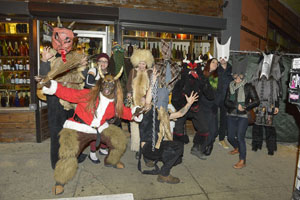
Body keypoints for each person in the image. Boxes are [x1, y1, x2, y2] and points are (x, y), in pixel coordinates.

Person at [40, 68, 143, 195]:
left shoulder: (115, 103)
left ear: (115, 88)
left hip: (99, 129)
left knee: (119, 140)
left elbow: (126, 112)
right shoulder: (88, 95)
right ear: (100, 84)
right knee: (68, 153)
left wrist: (136, 112)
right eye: (105, 83)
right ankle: (60, 181)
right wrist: (50, 84)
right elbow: (68, 93)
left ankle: (111, 160)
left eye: (111, 84)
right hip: (78, 128)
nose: (107, 86)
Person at [39, 17, 87, 169]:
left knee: (73, 132)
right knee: (57, 133)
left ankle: (74, 157)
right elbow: (42, 79)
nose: (62, 43)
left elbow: (83, 78)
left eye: (67, 40)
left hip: (73, 100)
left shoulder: (75, 57)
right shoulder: (50, 55)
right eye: (59, 39)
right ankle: (57, 163)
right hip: (55, 101)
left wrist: (84, 67)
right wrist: (45, 62)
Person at [139, 68, 198, 184]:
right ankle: (164, 174)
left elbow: (180, 114)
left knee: (177, 156)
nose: (164, 102)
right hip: (148, 148)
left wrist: (189, 103)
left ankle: (151, 159)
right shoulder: (148, 110)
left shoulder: (163, 114)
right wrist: (153, 82)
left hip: (155, 147)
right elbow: (147, 101)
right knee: (177, 147)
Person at [171, 56, 215, 160]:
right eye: (189, 70)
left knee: (204, 128)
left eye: (194, 70)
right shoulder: (180, 81)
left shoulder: (200, 80)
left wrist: (203, 81)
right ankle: (177, 154)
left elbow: (211, 95)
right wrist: (181, 108)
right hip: (182, 108)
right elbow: (174, 98)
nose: (192, 72)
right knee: (178, 132)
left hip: (196, 107)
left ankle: (196, 148)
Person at [224, 56, 260, 169]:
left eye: (240, 76)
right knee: (230, 137)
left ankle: (242, 160)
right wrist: (236, 105)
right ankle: (237, 148)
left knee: (240, 137)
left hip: (243, 116)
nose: (237, 78)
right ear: (233, 75)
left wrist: (245, 107)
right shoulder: (230, 86)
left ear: (243, 76)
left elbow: (257, 101)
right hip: (231, 114)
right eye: (235, 75)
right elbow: (226, 101)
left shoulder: (248, 87)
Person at [251, 52, 282, 155]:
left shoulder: (274, 80)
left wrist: (277, 105)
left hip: (270, 105)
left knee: (269, 127)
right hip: (258, 104)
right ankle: (256, 145)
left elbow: (277, 93)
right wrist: (252, 102)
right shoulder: (256, 79)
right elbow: (253, 91)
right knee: (257, 125)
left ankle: (271, 148)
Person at [84, 53, 111, 163]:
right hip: (94, 102)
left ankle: (103, 147)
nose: (103, 63)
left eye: (105, 61)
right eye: (101, 61)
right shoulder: (93, 70)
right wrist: (102, 85)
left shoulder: (108, 74)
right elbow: (88, 82)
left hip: (104, 103)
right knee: (94, 128)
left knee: (105, 126)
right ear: (97, 63)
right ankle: (92, 152)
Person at [126, 49, 154, 157]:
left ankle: (144, 148)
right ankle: (137, 147)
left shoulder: (150, 72)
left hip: (146, 104)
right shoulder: (133, 71)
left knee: (145, 127)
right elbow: (128, 85)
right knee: (134, 126)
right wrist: (129, 93)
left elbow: (153, 87)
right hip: (134, 103)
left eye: (144, 63)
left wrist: (146, 97)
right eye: (140, 63)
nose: (142, 65)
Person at [214, 37, 233, 149]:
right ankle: (211, 136)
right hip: (215, 98)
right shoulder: (215, 69)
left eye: (224, 57)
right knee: (212, 118)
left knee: (224, 120)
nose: (222, 60)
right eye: (220, 57)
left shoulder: (232, 69)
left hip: (226, 99)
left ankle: (221, 139)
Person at [198, 58, 219, 156]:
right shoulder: (202, 74)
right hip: (202, 105)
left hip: (212, 105)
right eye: (213, 62)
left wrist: (216, 104)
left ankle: (209, 144)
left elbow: (219, 92)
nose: (215, 64)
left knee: (213, 130)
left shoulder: (217, 76)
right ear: (209, 64)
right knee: (204, 128)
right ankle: (204, 146)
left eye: (216, 63)